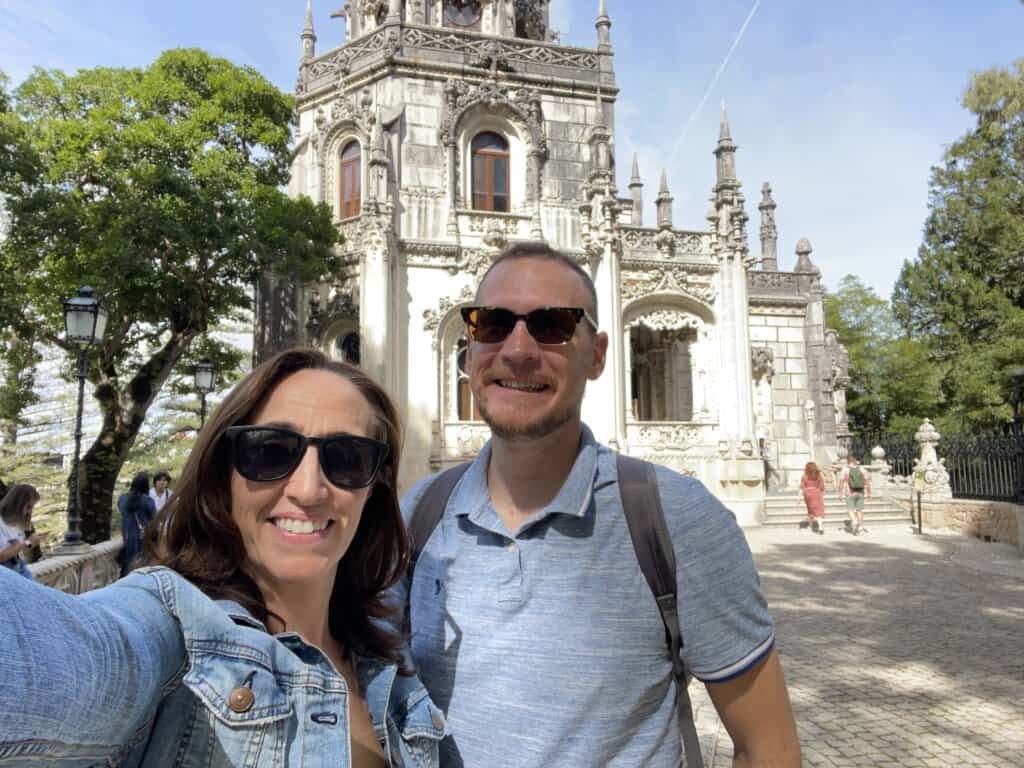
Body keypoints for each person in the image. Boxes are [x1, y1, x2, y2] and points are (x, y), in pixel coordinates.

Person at [398, 243, 801, 767]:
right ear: (469, 349)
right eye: (492, 324)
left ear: (598, 354)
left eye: (553, 325)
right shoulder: (419, 513)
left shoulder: (675, 520)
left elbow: (766, 747)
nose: (518, 350)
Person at [0, 348, 445, 767]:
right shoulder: (169, 631)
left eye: (347, 458)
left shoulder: (389, 663)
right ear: (223, 473)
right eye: (270, 451)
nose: (308, 490)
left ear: (374, 487)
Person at [0, 484, 44, 580]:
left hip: (20, 569)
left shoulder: (17, 523)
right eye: (28, 507)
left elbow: (18, 550)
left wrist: (31, 543)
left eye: (32, 507)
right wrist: (28, 542)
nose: (30, 512)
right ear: (16, 504)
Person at [119, 471, 158, 576]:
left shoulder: (122, 498)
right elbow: (155, 519)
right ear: (146, 486)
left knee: (127, 564)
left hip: (127, 537)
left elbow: (122, 514)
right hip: (143, 539)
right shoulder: (148, 500)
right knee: (141, 565)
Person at [838, 453, 872, 535]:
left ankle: (854, 521)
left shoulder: (845, 470)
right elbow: (867, 482)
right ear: (855, 461)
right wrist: (869, 493)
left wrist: (840, 493)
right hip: (860, 492)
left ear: (848, 461)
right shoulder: (862, 469)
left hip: (849, 492)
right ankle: (860, 527)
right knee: (859, 510)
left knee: (850, 509)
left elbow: (841, 483)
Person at [800, 461, 826, 534]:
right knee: (819, 511)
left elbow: (802, 487)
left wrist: (798, 497)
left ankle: (811, 525)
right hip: (817, 493)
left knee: (810, 510)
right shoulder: (818, 475)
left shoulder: (804, 476)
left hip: (808, 494)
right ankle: (820, 527)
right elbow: (822, 487)